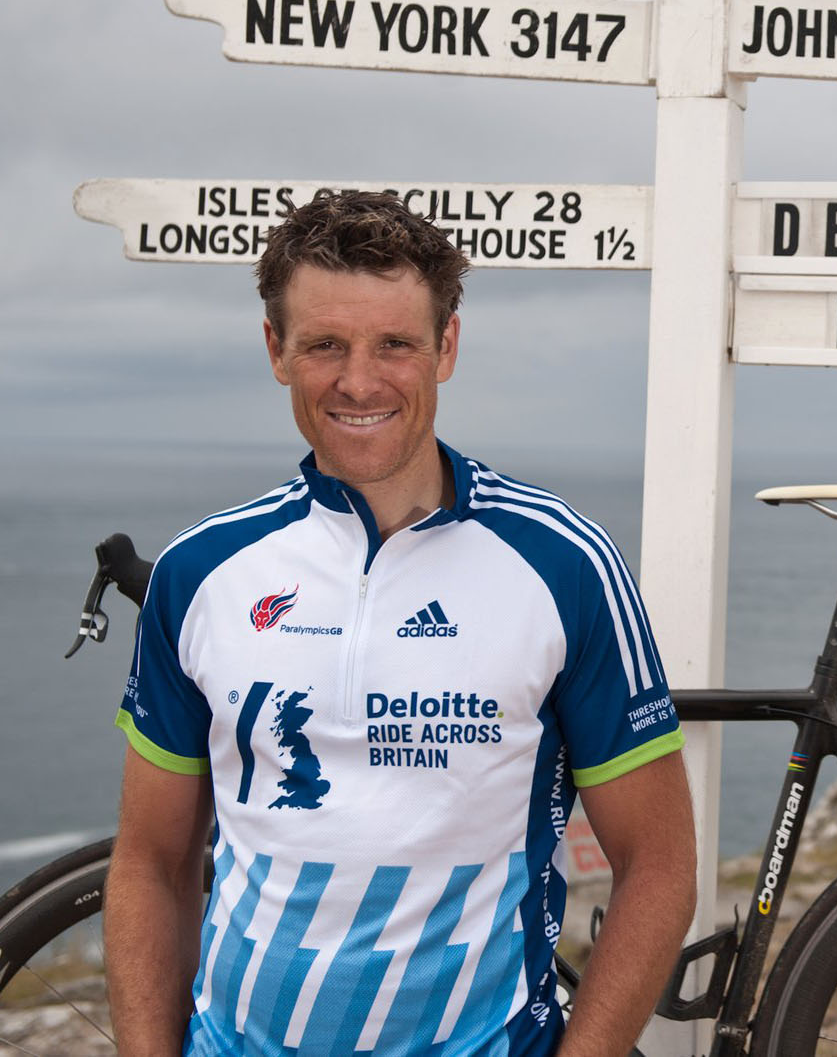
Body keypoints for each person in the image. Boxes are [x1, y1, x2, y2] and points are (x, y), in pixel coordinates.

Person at [105, 191, 695, 1057]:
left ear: (446, 346)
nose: (360, 380)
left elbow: (660, 865)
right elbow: (151, 864)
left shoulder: (565, 564)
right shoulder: (201, 571)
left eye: (395, 344)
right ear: (276, 349)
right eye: (325, 345)